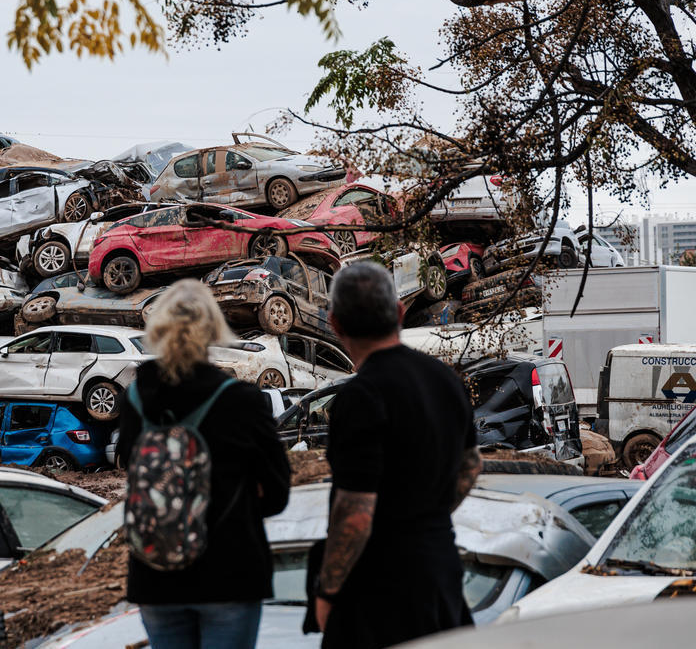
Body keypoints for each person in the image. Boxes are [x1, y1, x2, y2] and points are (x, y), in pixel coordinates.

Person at [116, 279, 291, 649]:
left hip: (156, 573)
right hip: (228, 571)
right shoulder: (241, 400)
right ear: (213, 328)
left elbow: (133, 473)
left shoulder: (134, 397)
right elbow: (276, 495)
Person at [314, 262, 482, 648]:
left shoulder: (359, 397)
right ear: (400, 312)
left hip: (377, 587)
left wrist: (327, 592)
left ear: (334, 323)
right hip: (439, 569)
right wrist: (427, 514)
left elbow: (355, 514)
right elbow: (471, 466)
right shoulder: (446, 380)